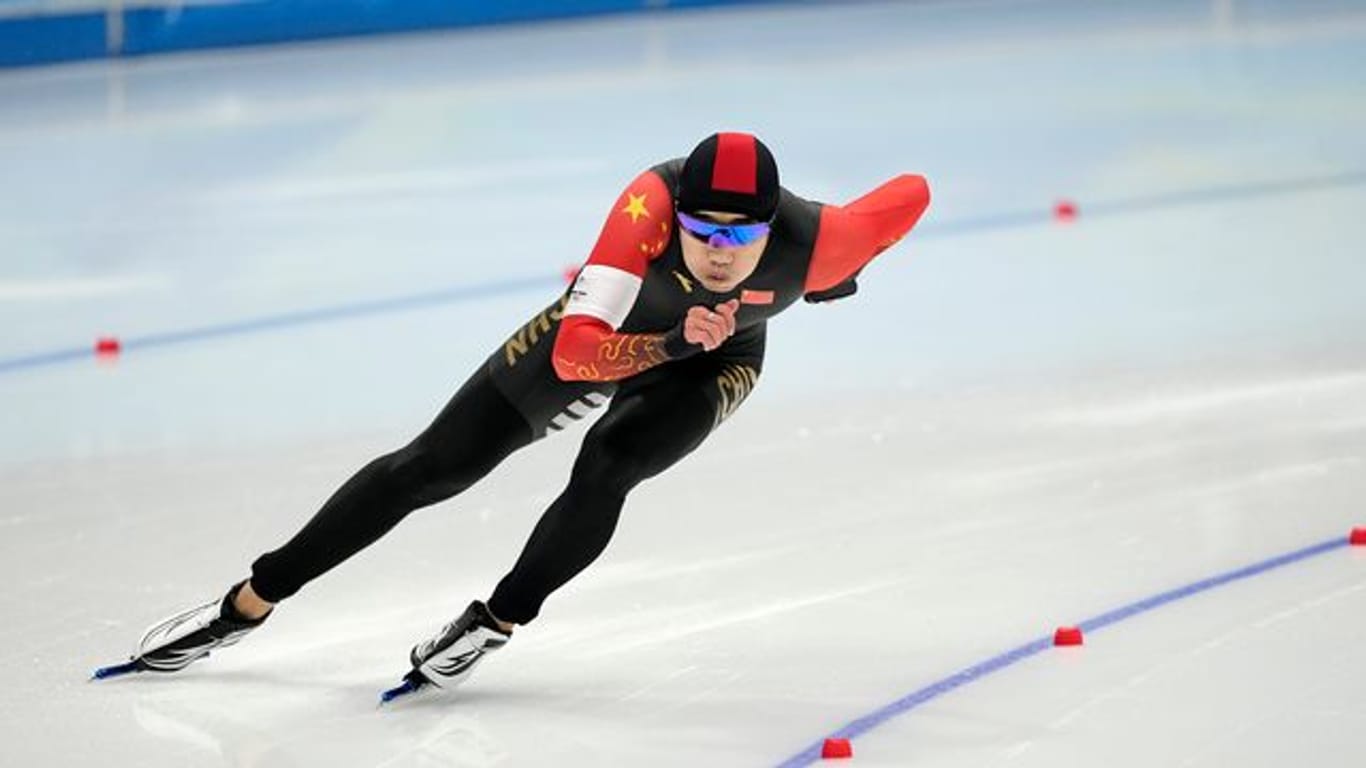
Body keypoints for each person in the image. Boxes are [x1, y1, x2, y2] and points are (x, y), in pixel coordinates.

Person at [119, 132, 930, 692]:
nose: (720, 250)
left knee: (610, 465)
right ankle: (248, 603)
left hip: (718, 358)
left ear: (772, 224)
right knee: (433, 466)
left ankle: (497, 620)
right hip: (618, 335)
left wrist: (830, 281)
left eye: (741, 234)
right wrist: (671, 340)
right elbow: (578, 355)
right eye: (701, 229)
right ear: (675, 216)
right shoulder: (641, 215)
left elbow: (912, 195)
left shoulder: (825, 239)